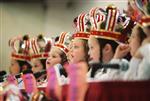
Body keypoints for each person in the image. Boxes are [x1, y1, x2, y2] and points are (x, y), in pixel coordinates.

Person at [87, 5, 134, 80]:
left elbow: (109, 83)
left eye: (92, 48)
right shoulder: (100, 69)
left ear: (106, 48)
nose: (88, 53)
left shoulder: (123, 65)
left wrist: (116, 59)